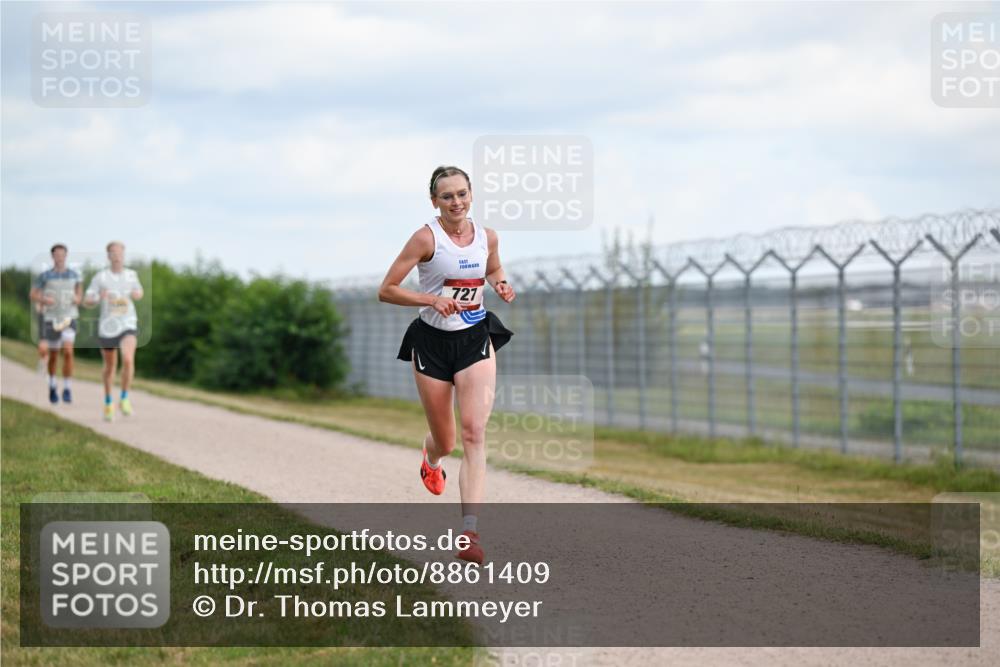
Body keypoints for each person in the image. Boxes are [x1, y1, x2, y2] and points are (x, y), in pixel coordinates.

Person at [378, 165, 516, 565]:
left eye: (462, 194)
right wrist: (431, 300)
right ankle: (431, 457)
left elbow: (492, 267)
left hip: (475, 338)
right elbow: (386, 290)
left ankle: (469, 534)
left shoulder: (486, 236)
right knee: (448, 440)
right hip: (433, 344)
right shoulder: (426, 237)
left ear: (471, 194)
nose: (456, 202)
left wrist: (501, 283)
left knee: (474, 434)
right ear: (434, 201)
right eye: (447, 196)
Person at [83, 241, 143, 422]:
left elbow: (139, 293)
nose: (117, 256)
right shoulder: (100, 277)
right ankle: (109, 402)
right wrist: (97, 298)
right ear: (108, 256)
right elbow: (87, 300)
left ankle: (124, 398)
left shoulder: (132, 275)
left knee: (127, 359)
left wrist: (135, 294)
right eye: (113, 253)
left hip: (127, 323)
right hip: (108, 327)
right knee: (110, 367)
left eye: (119, 252)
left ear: (124, 255)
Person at [29, 243, 82, 404]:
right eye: (57, 255)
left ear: (66, 256)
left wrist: (76, 299)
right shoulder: (44, 276)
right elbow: (32, 295)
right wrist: (44, 299)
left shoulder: (75, 275)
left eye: (62, 255)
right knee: (53, 356)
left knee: (68, 352)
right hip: (50, 319)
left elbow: (79, 296)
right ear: (52, 257)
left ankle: (67, 388)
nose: (60, 257)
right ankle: (52, 385)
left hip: (69, 318)